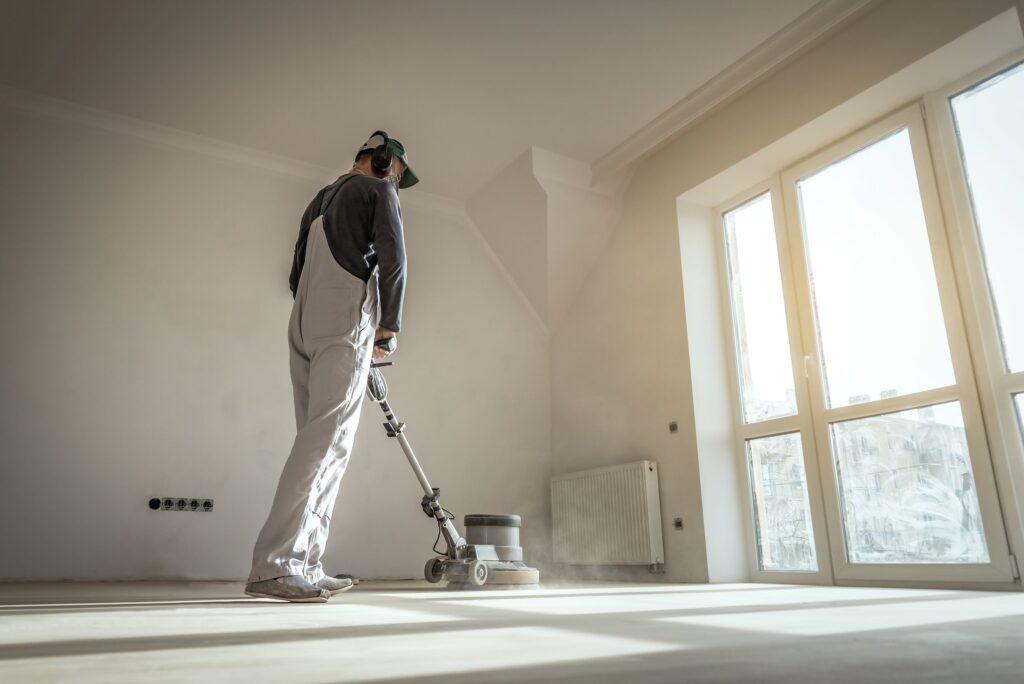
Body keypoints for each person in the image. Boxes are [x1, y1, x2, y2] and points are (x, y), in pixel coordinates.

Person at [245, 131, 418, 602]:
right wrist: (388, 327)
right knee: (328, 444)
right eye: (400, 173)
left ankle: (305, 561)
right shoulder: (380, 190)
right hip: (343, 317)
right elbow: (394, 259)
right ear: (387, 164)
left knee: (318, 443)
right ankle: (275, 566)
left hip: (303, 320)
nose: (397, 181)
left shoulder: (320, 200)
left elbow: (294, 276)